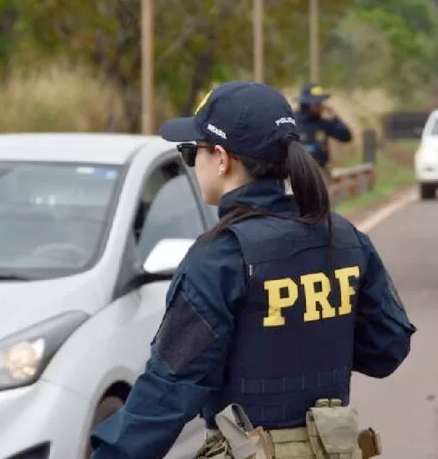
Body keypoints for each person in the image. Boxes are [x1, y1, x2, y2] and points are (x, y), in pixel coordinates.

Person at [90, 81, 416, 459]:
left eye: (191, 152)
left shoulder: (219, 257)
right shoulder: (344, 237)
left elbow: (167, 393)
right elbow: (387, 349)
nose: (193, 163)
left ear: (223, 159)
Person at [294, 83, 352, 175]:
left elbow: (346, 137)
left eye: (320, 102)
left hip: (320, 171)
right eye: (315, 103)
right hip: (298, 172)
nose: (319, 105)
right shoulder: (293, 122)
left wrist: (335, 118)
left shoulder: (322, 123)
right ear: (305, 103)